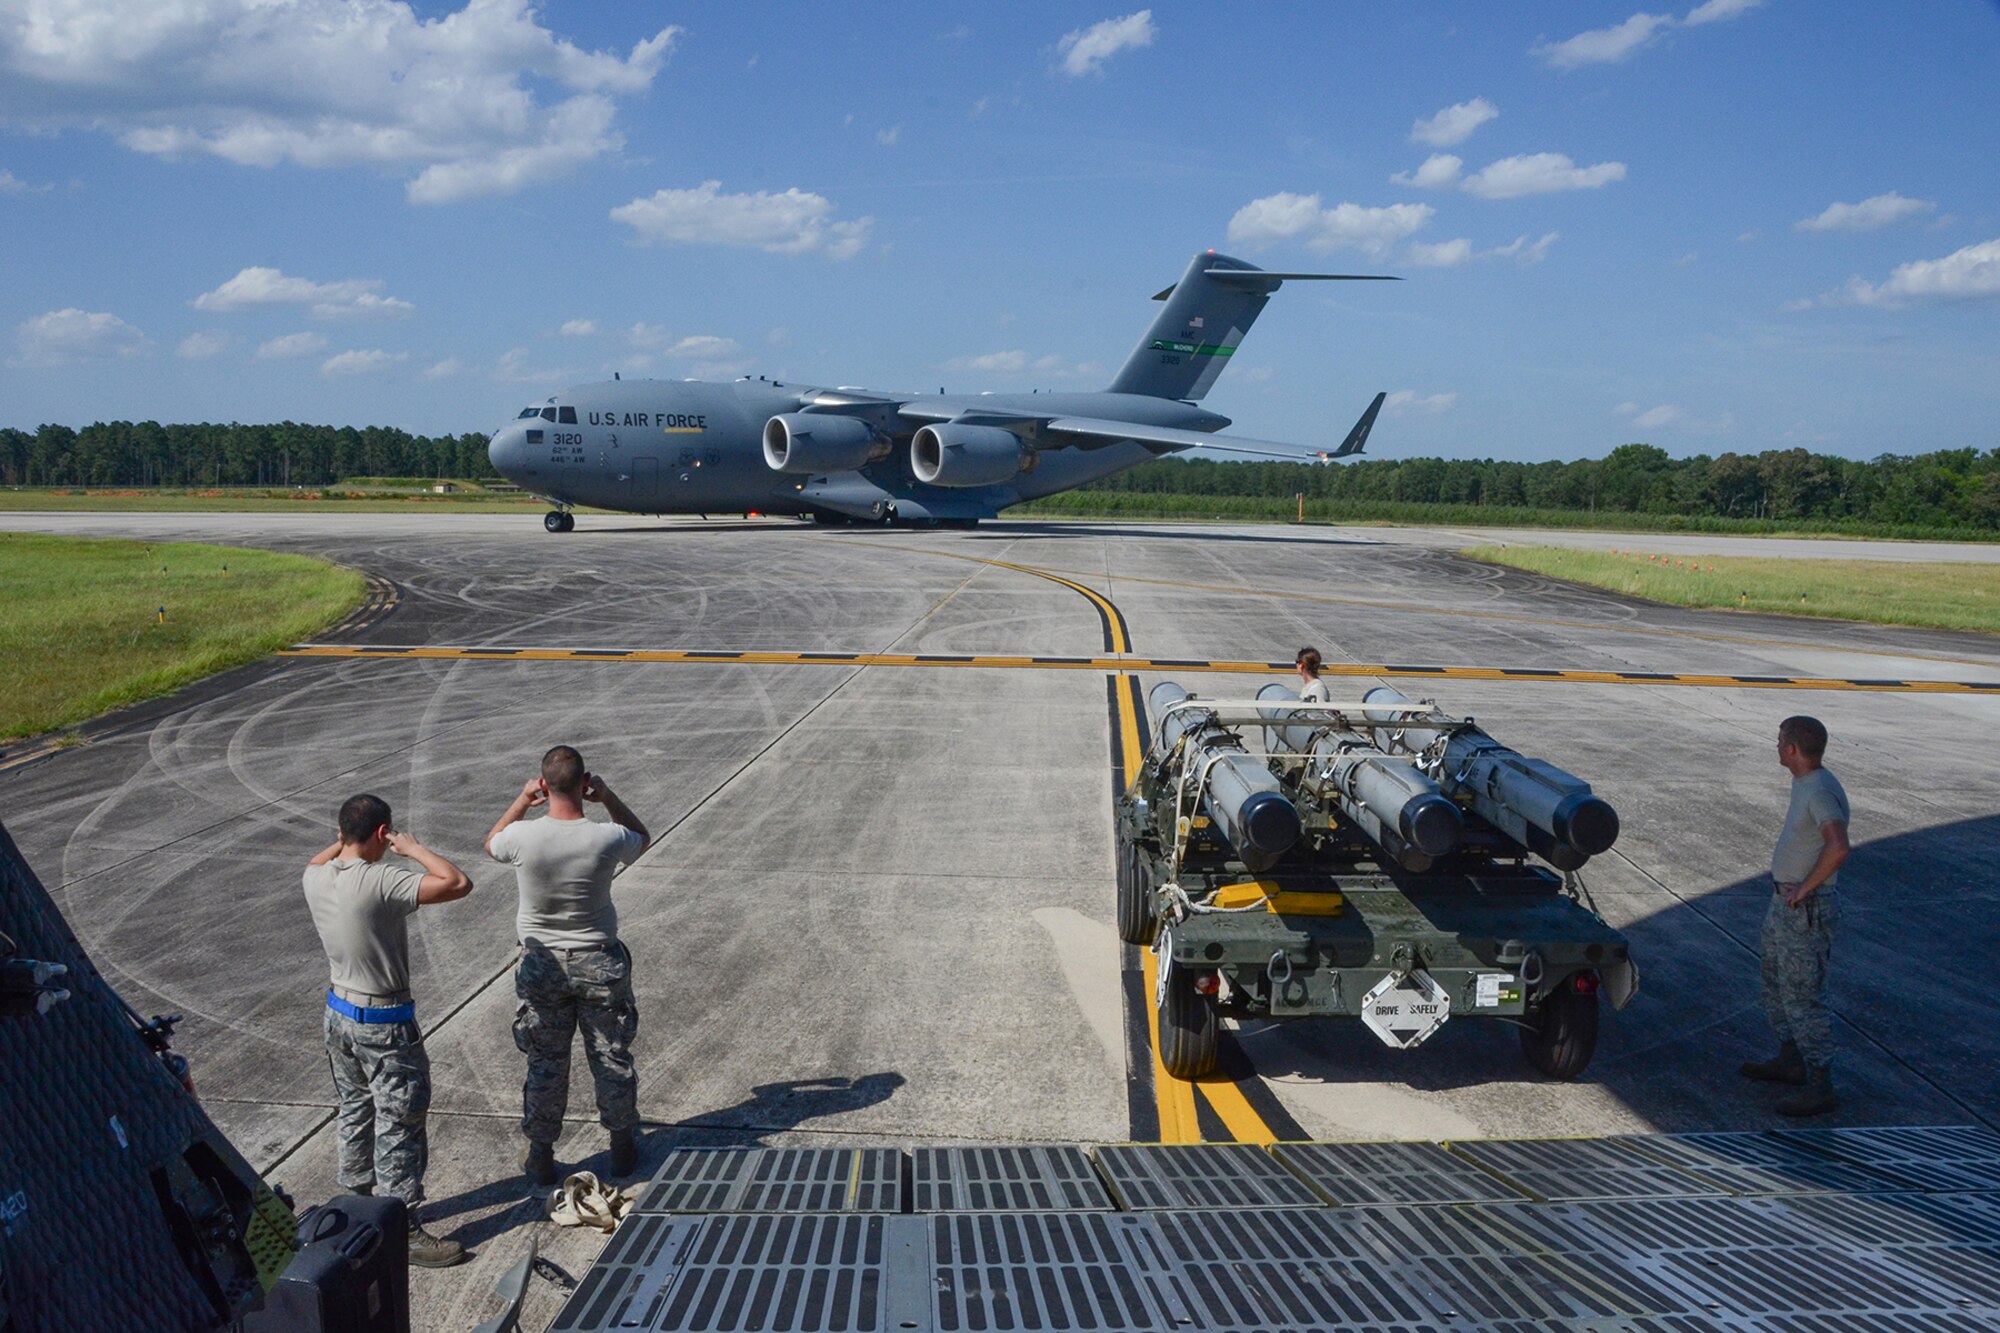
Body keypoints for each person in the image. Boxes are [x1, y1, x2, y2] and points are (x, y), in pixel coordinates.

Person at [303, 794, 473, 1268]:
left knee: (355, 1108)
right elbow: (457, 882)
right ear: (381, 834)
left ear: (340, 835)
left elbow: (320, 856)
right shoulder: (380, 880)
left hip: (338, 1013)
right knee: (400, 1121)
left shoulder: (315, 877)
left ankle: (355, 1203)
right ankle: (401, 1226)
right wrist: (412, 847)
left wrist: (345, 839)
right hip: (383, 1022)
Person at [485, 746, 652, 1186]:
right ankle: (621, 1147)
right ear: (585, 784)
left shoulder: (522, 837)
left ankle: (540, 1154)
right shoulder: (605, 836)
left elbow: (491, 843)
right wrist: (608, 795)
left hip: (543, 965)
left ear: (544, 785)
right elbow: (642, 836)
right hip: (598, 960)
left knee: (546, 1060)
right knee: (610, 1055)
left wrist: (523, 800)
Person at [1740, 715, 1850, 1116]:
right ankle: (1791, 1060)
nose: (1776, 746)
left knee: (1803, 996)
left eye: (1779, 740)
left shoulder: (1819, 791)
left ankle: (1820, 1083)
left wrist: (1805, 888)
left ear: (1791, 749)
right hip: (1786, 906)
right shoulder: (1806, 782)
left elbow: (1838, 846)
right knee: (1775, 984)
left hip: (1806, 908)